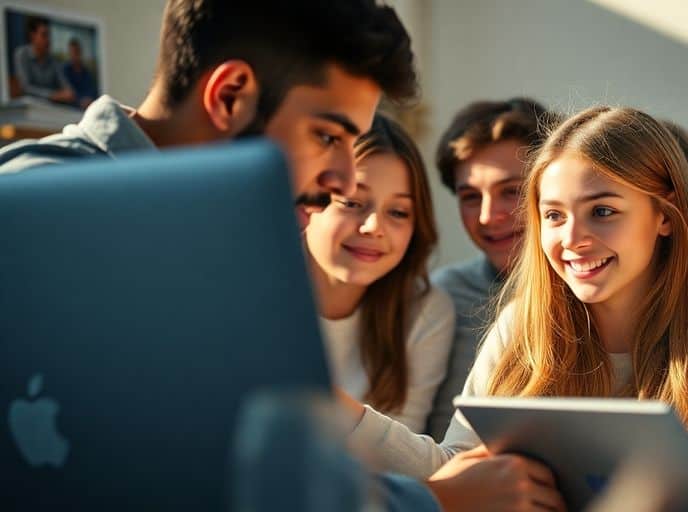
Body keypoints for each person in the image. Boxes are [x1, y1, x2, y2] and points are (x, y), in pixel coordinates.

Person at [0, 1, 546, 510]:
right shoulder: (33, 207)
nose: (341, 183)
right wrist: (436, 500)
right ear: (231, 95)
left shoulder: (226, 240)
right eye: (328, 136)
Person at [337, 106, 688, 493]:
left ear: (665, 213)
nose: (572, 238)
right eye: (554, 216)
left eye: (602, 211)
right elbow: (460, 470)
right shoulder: (523, 327)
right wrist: (337, 410)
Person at [306, 114, 454, 433]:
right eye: (352, 202)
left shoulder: (425, 310)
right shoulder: (251, 294)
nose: (374, 227)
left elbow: (403, 458)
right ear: (308, 204)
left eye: (398, 212)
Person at [426, 97, 551, 441]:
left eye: (511, 191)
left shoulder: (600, 296)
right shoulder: (442, 296)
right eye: (470, 197)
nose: (487, 216)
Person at [12, 16, 74, 104]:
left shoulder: (53, 61)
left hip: (49, 110)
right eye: (44, 35)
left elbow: (67, 89)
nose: (48, 40)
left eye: (49, 36)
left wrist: (67, 93)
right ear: (32, 36)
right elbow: (25, 87)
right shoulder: (21, 54)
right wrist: (52, 95)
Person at [61, 38, 99, 109]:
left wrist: (89, 100)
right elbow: (67, 92)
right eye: (72, 52)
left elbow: (93, 91)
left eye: (77, 52)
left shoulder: (86, 72)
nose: (75, 55)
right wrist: (80, 100)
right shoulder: (65, 70)